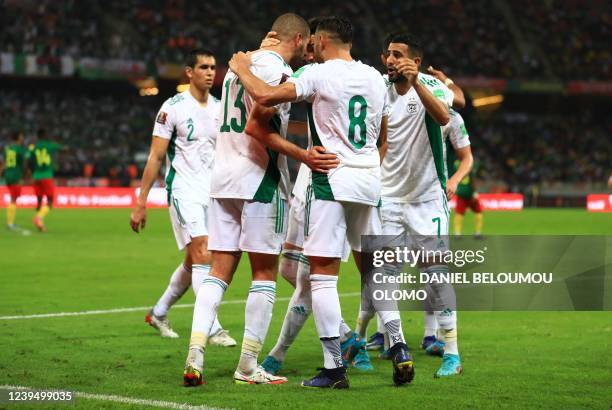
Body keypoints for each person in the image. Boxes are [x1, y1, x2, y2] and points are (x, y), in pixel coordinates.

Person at [229, 16, 413, 389]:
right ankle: (400, 346)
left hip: (331, 179)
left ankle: (333, 368)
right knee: (372, 271)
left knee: (322, 276)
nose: (309, 47)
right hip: (368, 180)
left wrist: (242, 68)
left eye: (313, 42)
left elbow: (264, 96)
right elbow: (384, 132)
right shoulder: (375, 79)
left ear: (323, 41)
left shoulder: (318, 73)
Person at [183, 13, 314, 386]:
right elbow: (259, 125)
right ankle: (247, 366)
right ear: (300, 39)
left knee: (218, 272)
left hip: (222, 179)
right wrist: (301, 155)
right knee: (263, 274)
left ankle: (195, 356)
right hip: (259, 180)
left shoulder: (238, 67)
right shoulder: (276, 72)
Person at [129, 49, 235, 346]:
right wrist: (141, 202)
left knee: (194, 261)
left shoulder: (220, 107)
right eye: (204, 67)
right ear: (190, 72)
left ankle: (159, 313)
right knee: (203, 253)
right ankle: (211, 326)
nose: (211, 72)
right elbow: (156, 156)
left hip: (213, 192)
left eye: (214, 67)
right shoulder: (172, 108)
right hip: (183, 189)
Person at [29, 129, 61, 232]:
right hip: (46, 176)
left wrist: (31, 173)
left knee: (39, 202)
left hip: (36, 176)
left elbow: (29, 162)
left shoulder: (33, 147)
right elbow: (61, 148)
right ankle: (38, 218)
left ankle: (40, 224)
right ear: (45, 135)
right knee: (50, 202)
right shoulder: (49, 145)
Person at [1, 131, 28, 231]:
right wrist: (25, 176)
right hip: (16, 176)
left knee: (13, 198)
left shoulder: (7, 148)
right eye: (21, 136)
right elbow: (25, 164)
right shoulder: (20, 149)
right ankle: (10, 223)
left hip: (8, 175)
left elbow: (4, 163)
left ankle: (10, 222)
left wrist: (1, 172)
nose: (23, 138)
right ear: (17, 138)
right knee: (13, 199)